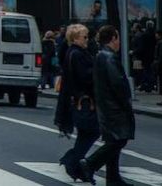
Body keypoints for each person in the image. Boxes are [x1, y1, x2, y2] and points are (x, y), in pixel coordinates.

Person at [79, 25, 134, 186]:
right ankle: (90, 163)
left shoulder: (101, 55)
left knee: (114, 139)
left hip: (106, 105)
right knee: (118, 140)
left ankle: (113, 177)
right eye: (117, 38)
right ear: (113, 39)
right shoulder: (108, 57)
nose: (119, 42)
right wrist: (126, 101)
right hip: (113, 107)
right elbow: (117, 83)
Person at [55, 24, 100, 182]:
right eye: (84, 37)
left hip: (79, 99)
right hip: (84, 100)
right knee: (93, 130)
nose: (87, 40)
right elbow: (85, 77)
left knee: (85, 133)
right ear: (75, 38)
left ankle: (76, 165)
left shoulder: (74, 52)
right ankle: (73, 161)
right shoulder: (77, 54)